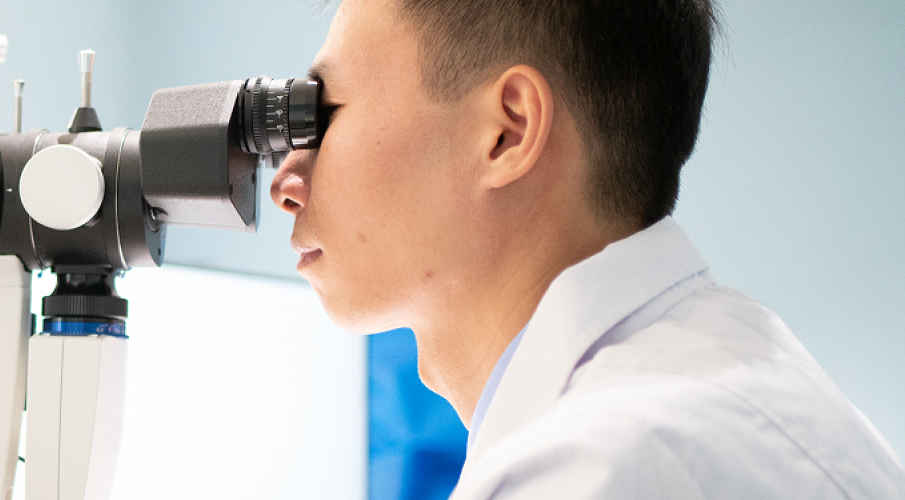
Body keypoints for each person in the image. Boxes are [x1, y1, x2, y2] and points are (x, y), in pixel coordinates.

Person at [270, 0, 905, 497]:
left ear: (507, 131)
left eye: (323, 114)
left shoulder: (591, 468)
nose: (285, 183)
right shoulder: (734, 370)